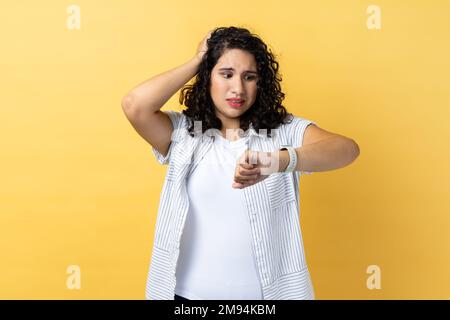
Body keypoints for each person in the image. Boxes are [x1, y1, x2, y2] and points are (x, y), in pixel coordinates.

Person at [121, 26, 360, 300]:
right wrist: (198, 59)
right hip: (185, 298)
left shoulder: (282, 131)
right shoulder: (184, 133)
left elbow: (347, 149)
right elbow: (134, 105)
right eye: (226, 74)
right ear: (207, 78)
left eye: (249, 77)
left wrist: (277, 161)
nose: (238, 88)